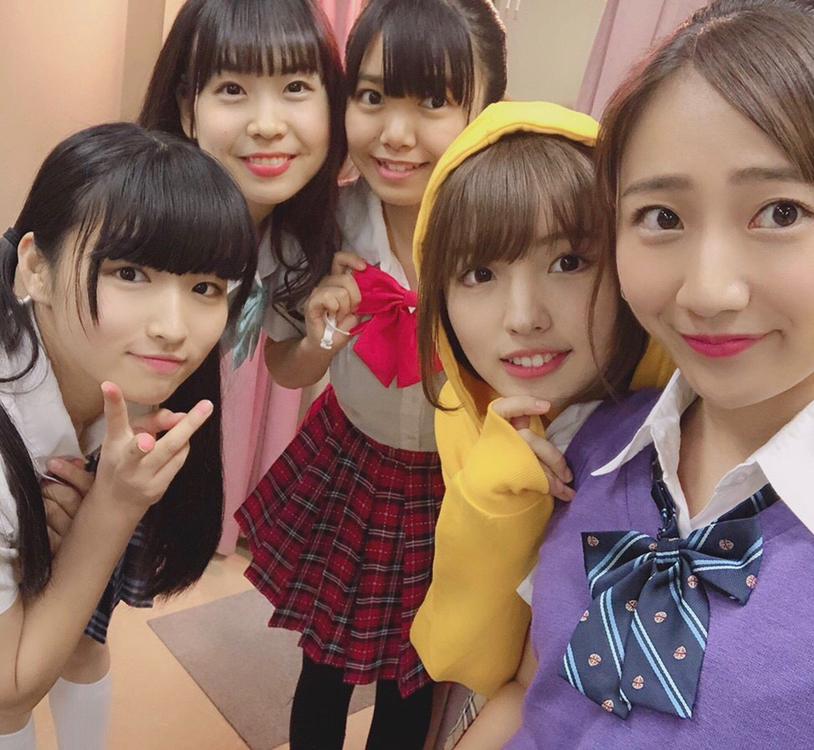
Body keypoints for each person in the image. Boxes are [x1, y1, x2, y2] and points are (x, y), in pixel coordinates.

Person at [506, 1, 814, 746]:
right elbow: (526, 694)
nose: (708, 293)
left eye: (781, 212)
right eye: (662, 218)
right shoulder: (592, 445)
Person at [235, 1, 507, 747]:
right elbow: (287, 370)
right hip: (350, 463)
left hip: (459, 482)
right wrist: (326, 329)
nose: (396, 133)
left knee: (415, 679)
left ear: (486, 107)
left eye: (433, 101)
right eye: (374, 95)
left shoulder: (507, 229)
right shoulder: (322, 225)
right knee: (324, 668)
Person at [410, 100, 672, 747]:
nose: (524, 316)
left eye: (568, 262)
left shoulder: (690, 425)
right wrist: (494, 505)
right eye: (479, 274)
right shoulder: (466, 416)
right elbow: (469, 658)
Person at [0, 122, 256, 750]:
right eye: (130, 273)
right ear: (34, 268)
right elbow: (9, 690)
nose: (173, 327)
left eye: (204, 287)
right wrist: (113, 505)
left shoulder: (113, 383)